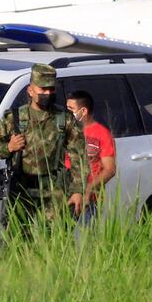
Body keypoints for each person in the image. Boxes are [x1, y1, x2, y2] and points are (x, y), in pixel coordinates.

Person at [0, 64, 86, 236]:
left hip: (54, 188)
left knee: (56, 237)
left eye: (51, 89)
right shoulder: (14, 118)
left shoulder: (64, 119)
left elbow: (79, 155)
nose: (47, 93)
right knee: (18, 237)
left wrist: (78, 190)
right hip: (21, 187)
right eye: (43, 89)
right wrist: (9, 147)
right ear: (30, 90)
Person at [66, 90, 116, 224]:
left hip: (88, 200)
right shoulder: (66, 131)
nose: (67, 113)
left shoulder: (102, 134)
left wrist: (88, 189)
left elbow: (110, 169)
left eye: (71, 109)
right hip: (65, 194)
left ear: (83, 111)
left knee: (85, 235)